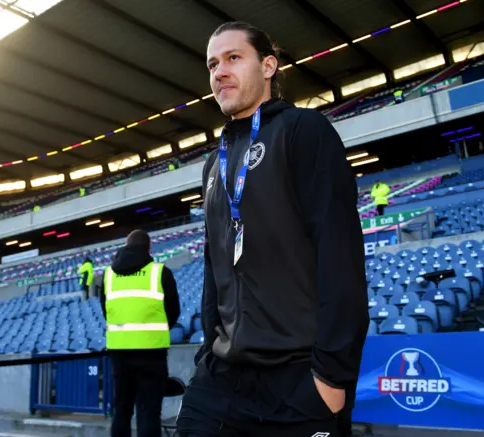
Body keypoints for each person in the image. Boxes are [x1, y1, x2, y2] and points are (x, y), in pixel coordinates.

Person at [176, 22, 369, 437]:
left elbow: (341, 255)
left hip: (298, 381)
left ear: (268, 66)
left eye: (232, 58)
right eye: (212, 64)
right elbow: (215, 267)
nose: (219, 72)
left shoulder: (303, 130)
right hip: (221, 379)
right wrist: (207, 352)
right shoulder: (214, 164)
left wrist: (332, 378)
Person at [101, 229, 180, 437]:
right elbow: (173, 310)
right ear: (149, 248)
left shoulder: (108, 275)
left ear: (126, 245)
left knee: (122, 411)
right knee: (149, 412)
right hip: (152, 352)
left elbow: (106, 311)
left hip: (119, 352)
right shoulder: (160, 272)